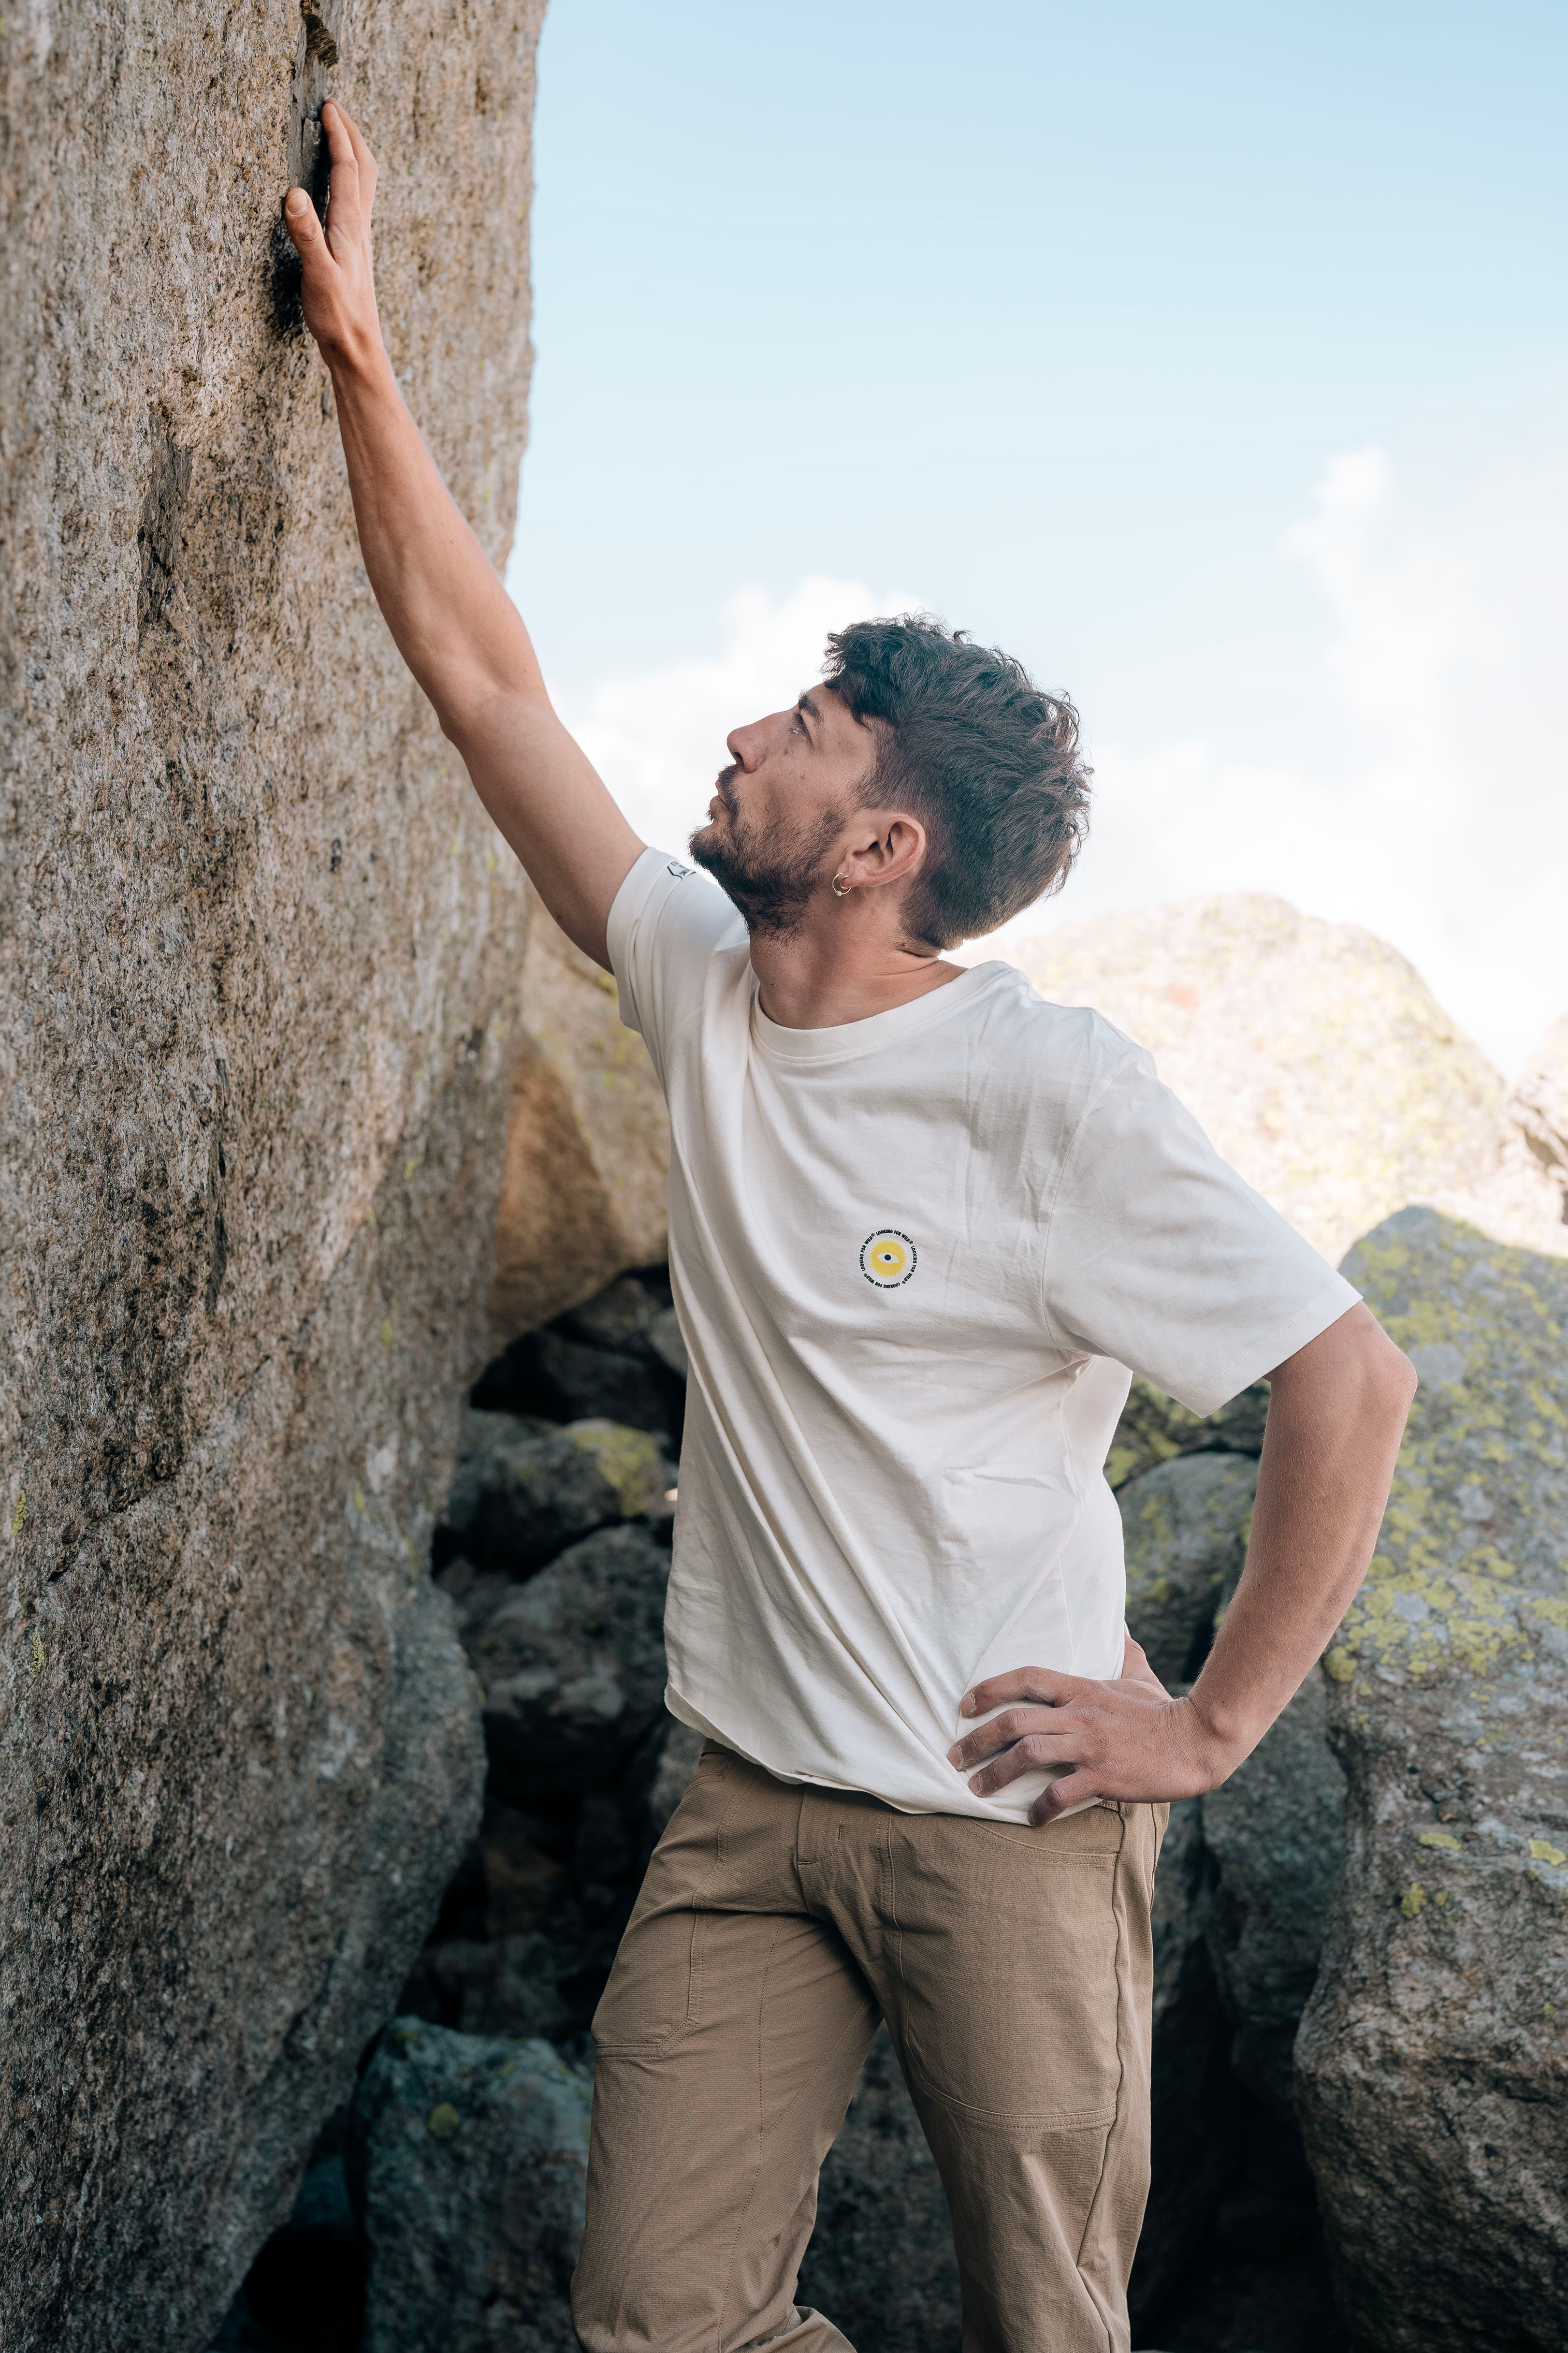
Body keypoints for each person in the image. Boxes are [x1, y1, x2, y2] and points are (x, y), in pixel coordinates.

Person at [285, 105, 1416, 2353]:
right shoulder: (693, 982)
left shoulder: (1046, 1092)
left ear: (884, 834)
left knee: (1053, 2331)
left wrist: (1202, 1727)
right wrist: (363, 361)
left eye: (795, 729)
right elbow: (487, 681)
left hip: (1007, 1839)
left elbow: (1347, 1374)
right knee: (659, 2329)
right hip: (743, 1823)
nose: (736, 736)